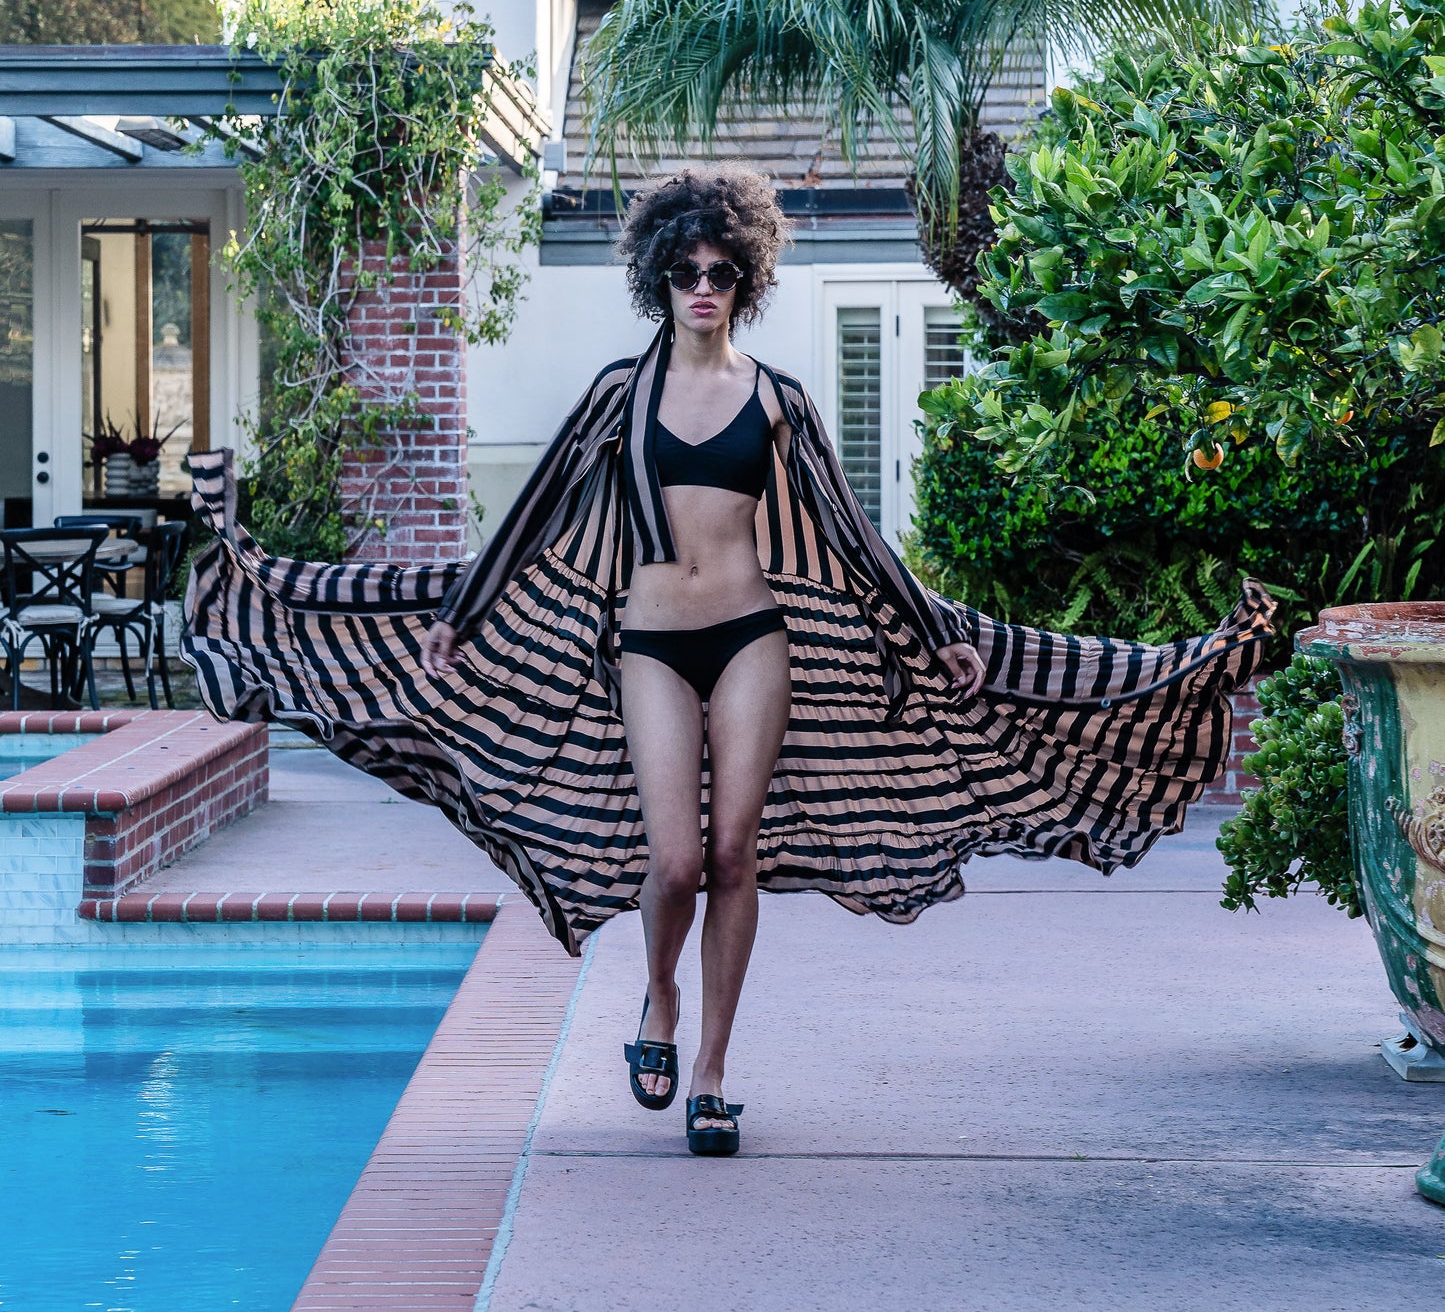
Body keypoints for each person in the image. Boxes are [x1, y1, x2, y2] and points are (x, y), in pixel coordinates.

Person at [183, 167, 1275, 1162]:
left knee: (736, 857)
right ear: (657, 278)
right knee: (671, 863)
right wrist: (459, 617)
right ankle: (654, 996)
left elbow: (850, 536)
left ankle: (709, 1072)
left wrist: (930, 631)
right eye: (684, 270)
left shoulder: (779, 399)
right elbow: (532, 513)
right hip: (650, 640)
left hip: (754, 635)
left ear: (744, 282)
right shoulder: (620, 392)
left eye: (721, 272)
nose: (702, 286)